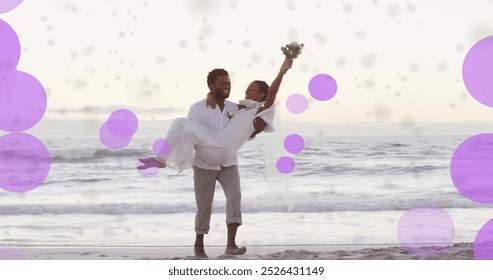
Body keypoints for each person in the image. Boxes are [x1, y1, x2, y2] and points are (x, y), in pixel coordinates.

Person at [138, 56, 293, 258]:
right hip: (206, 157)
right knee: (203, 203)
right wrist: (210, 99)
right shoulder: (204, 107)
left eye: (230, 84)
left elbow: (269, 97)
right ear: (212, 86)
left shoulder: (252, 110)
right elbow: (190, 136)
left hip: (226, 155)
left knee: (235, 197)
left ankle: (231, 245)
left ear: (262, 95)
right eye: (223, 84)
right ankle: (199, 245)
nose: (232, 88)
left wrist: (282, 71)